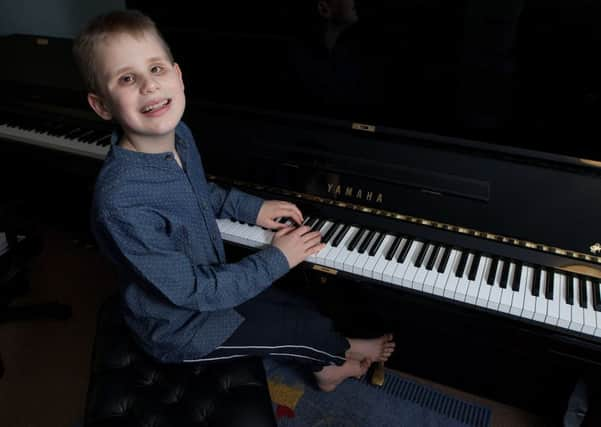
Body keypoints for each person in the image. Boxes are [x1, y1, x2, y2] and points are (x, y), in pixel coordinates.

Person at [73, 9, 395, 392]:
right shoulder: (121, 202)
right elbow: (194, 292)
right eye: (127, 78)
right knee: (299, 323)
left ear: (178, 76)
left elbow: (199, 192)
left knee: (296, 304)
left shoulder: (179, 135)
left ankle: (332, 352)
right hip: (181, 330)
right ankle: (332, 368)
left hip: (211, 286)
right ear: (102, 105)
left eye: (156, 69)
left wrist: (253, 208)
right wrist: (279, 257)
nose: (149, 86)